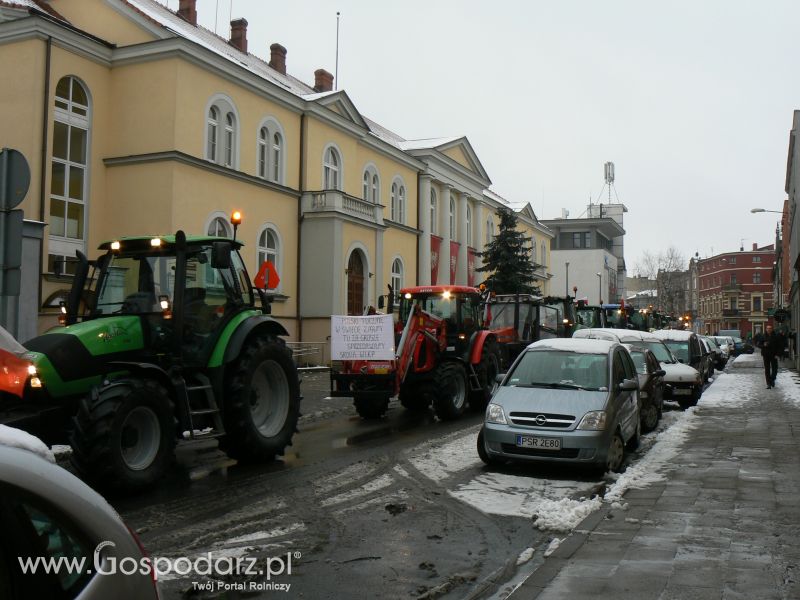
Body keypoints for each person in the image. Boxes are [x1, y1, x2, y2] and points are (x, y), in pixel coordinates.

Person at [757, 323, 784, 389]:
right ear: (766, 329)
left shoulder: (776, 336)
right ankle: (768, 384)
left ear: (772, 329)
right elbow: (758, 345)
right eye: (767, 328)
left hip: (774, 355)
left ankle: (772, 379)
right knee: (767, 369)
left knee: (775, 369)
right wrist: (763, 345)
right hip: (766, 355)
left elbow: (780, 346)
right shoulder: (763, 336)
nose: (769, 330)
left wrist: (778, 354)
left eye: (770, 328)